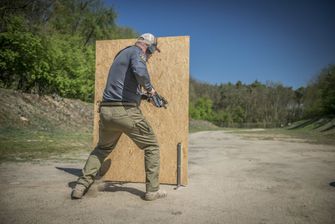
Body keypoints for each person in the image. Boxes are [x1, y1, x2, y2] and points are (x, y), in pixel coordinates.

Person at [71, 33, 167, 201]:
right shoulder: (137, 53)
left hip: (107, 112)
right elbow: (140, 71)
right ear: (148, 47)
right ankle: (152, 191)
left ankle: (80, 186)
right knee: (152, 146)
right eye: (151, 52)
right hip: (126, 111)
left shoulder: (122, 55)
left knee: (102, 149)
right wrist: (151, 91)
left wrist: (145, 97)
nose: (150, 56)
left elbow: (125, 87)